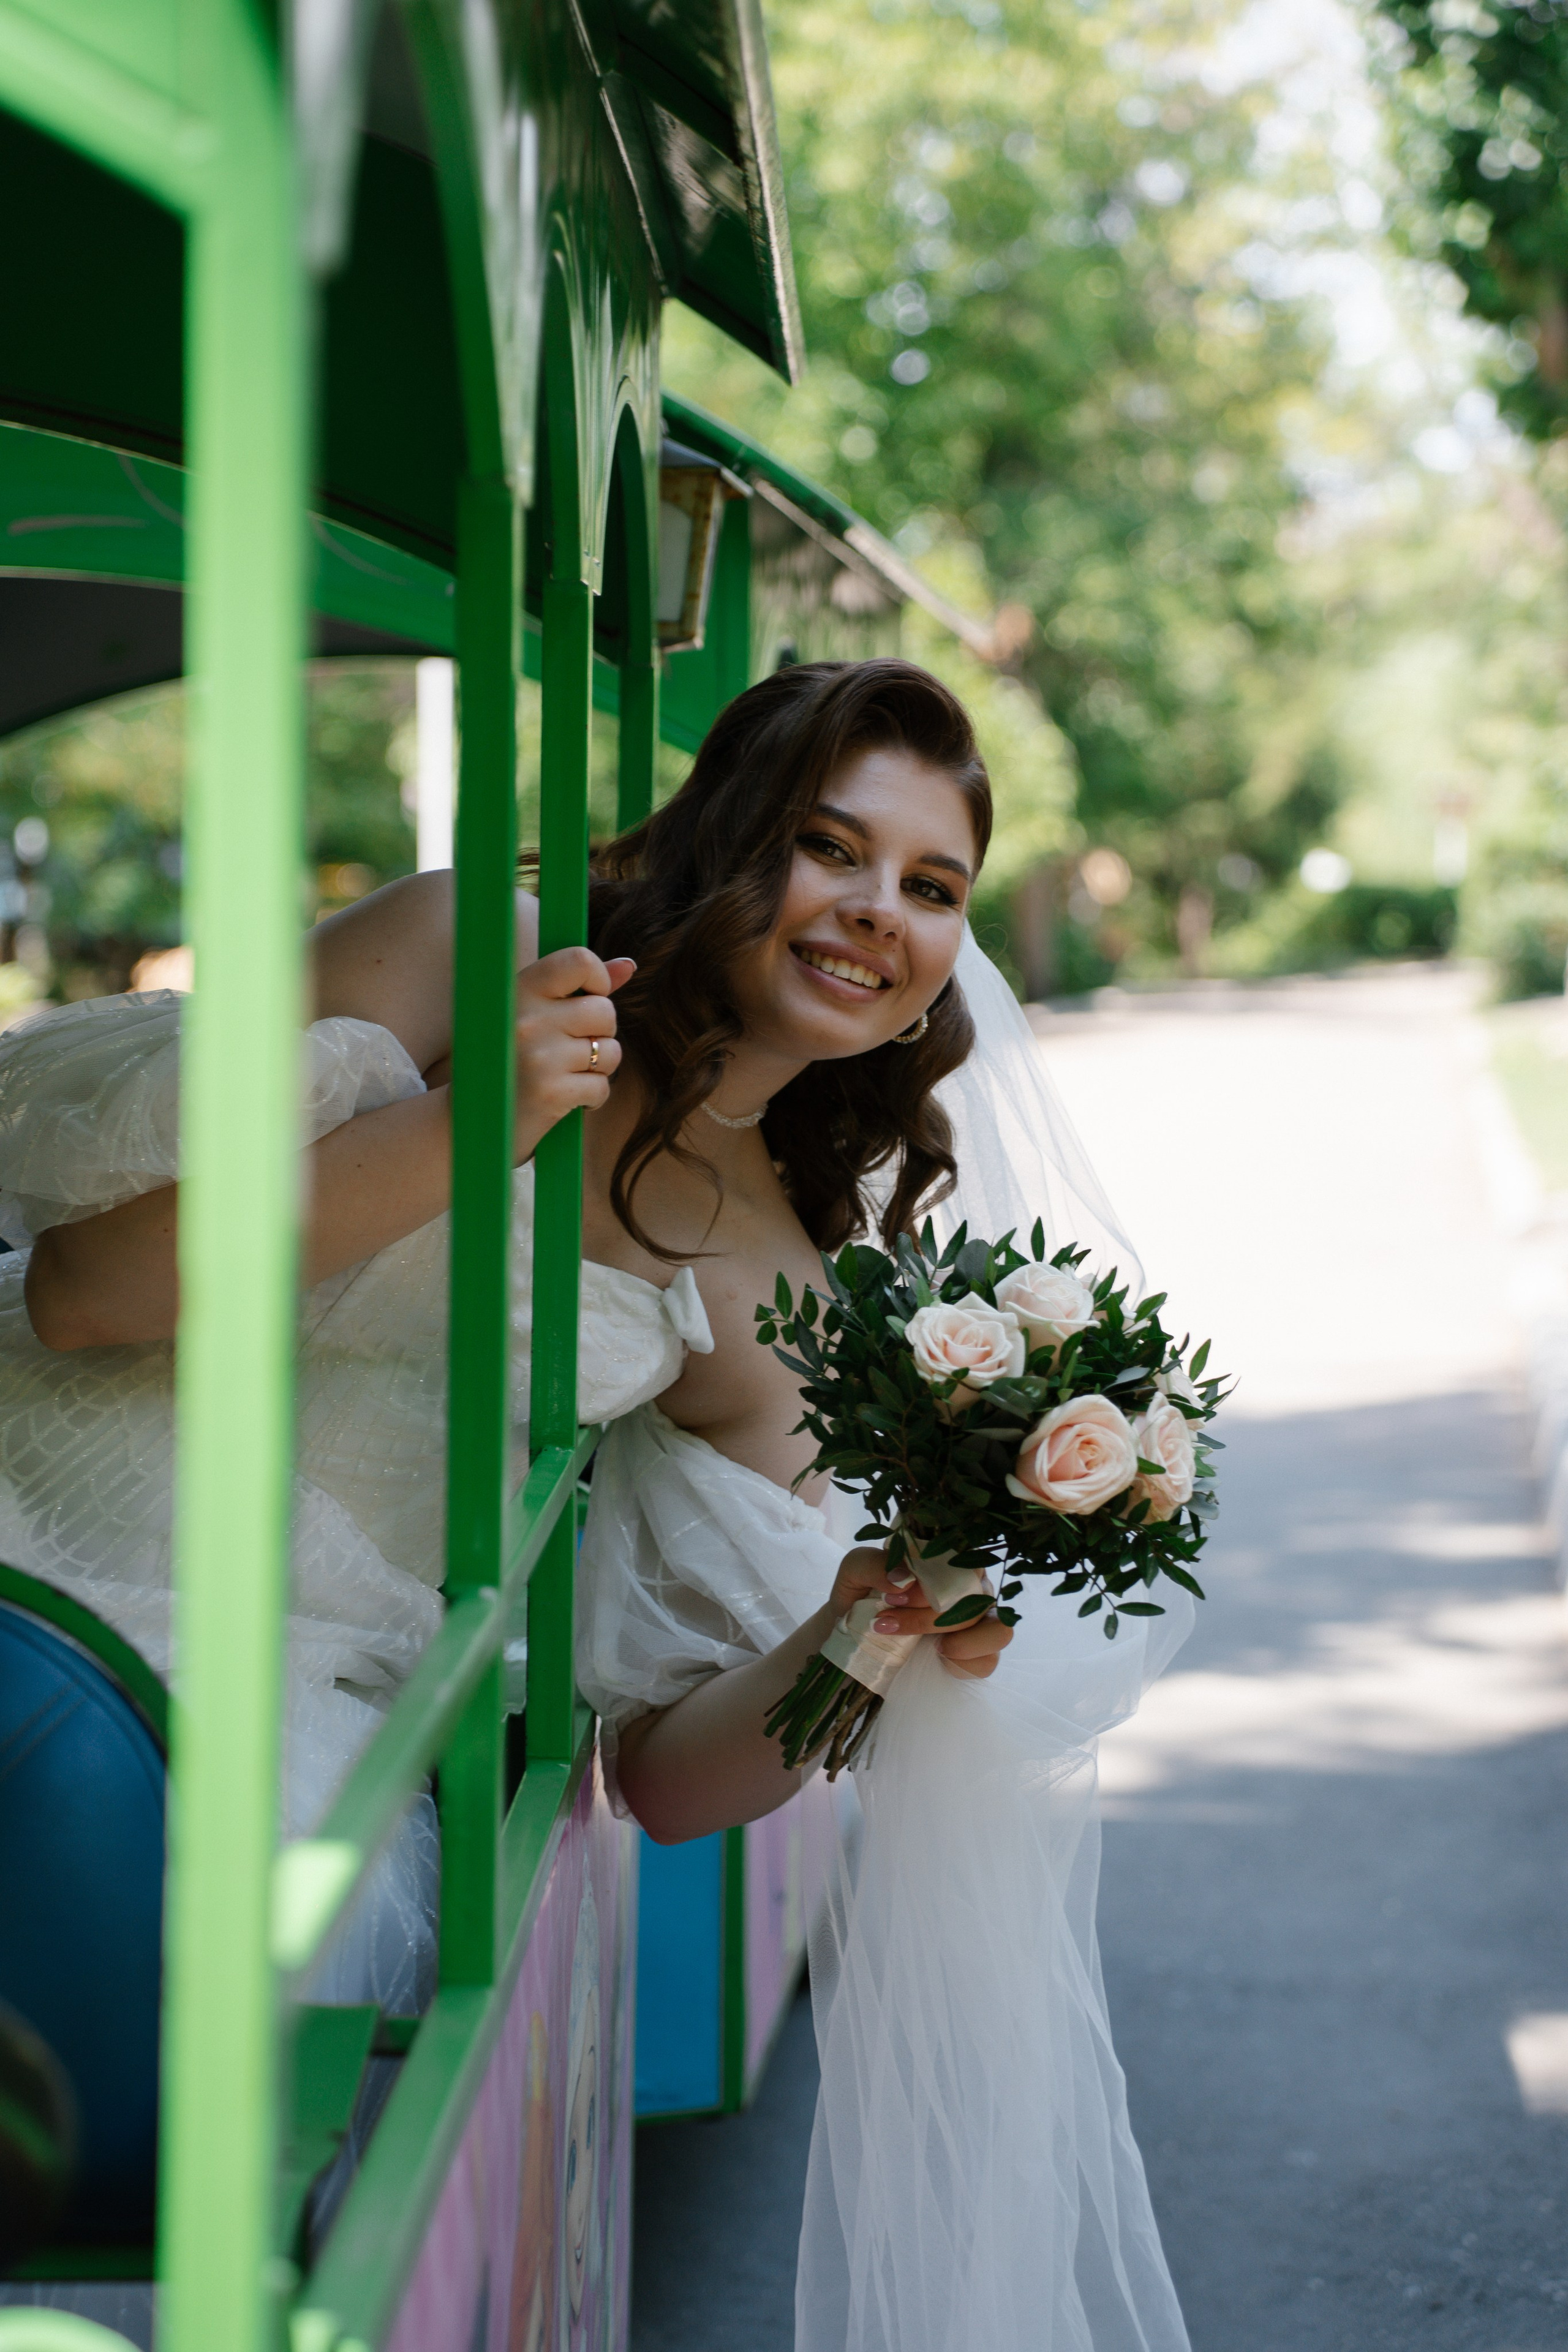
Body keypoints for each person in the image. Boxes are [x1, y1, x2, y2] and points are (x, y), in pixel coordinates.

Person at [4, 658, 1192, 2349]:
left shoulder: (785, 1283)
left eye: (933, 888)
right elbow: (86, 1294)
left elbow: (672, 1777)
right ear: (733, 834)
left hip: (270, 1690)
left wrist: (866, 1625)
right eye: (830, 846)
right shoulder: (459, 948)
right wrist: (465, 1125)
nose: (878, 912)